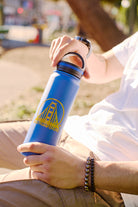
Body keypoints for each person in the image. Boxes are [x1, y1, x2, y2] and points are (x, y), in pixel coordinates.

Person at [0, 32, 137, 207]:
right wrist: (83, 51)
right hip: (69, 130)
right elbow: (105, 66)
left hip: (101, 172)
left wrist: (83, 172)